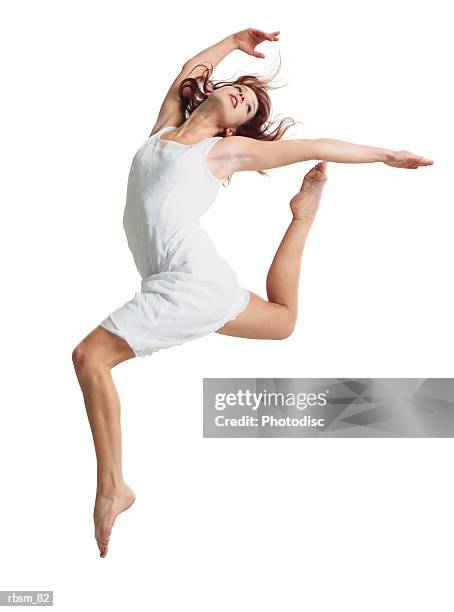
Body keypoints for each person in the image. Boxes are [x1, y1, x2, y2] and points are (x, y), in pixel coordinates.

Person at [71, 28, 433, 558]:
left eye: (249, 107)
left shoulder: (225, 153)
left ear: (239, 128)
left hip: (187, 281)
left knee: (89, 358)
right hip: (188, 279)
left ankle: (113, 486)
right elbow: (190, 69)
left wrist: (383, 155)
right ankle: (302, 218)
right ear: (215, 90)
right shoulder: (164, 131)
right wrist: (234, 40)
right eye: (241, 90)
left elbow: (313, 146)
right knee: (283, 321)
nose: (243, 98)